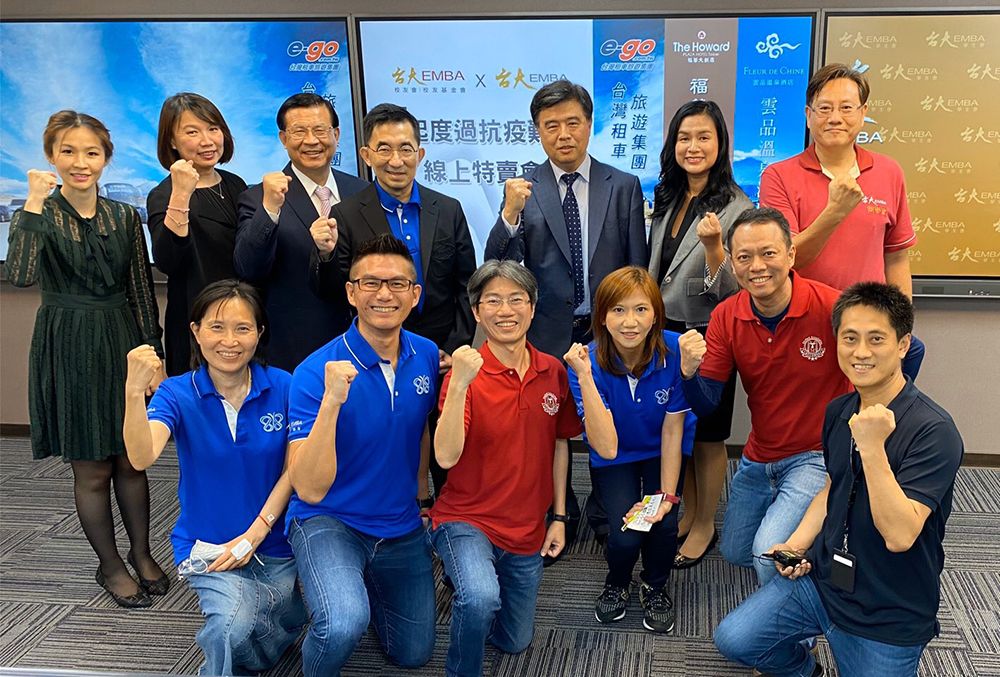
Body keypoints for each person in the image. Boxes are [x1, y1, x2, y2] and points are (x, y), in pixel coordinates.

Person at [714, 283, 964, 677]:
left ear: (903, 345)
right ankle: (805, 670)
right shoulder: (840, 410)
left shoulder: (934, 430)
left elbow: (900, 535)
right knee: (734, 639)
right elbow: (834, 485)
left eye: (876, 339)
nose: (860, 352)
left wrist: (873, 447)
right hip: (824, 582)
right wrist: (797, 544)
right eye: (849, 338)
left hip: (888, 611)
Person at [6, 111, 166, 607]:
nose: (81, 162)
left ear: (106, 158)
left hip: (121, 341)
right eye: (68, 152)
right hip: (69, 344)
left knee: (131, 460)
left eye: (92, 152)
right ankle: (110, 565)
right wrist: (34, 202)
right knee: (92, 468)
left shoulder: (123, 216)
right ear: (51, 156)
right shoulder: (40, 212)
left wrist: (154, 355)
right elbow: (20, 274)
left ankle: (141, 552)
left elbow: (140, 290)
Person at [484, 79, 648, 545]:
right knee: (544, 425)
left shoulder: (623, 186)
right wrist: (509, 214)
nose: (563, 134)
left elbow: (636, 267)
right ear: (537, 131)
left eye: (572, 122)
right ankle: (557, 508)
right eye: (550, 125)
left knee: (609, 420)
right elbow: (497, 263)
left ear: (590, 124)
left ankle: (605, 509)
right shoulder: (524, 188)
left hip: (608, 330)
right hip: (547, 330)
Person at [122, 280, 306, 675]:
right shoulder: (177, 393)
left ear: (259, 332)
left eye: (243, 328)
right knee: (230, 626)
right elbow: (141, 456)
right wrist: (133, 392)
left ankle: (260, 628)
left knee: (286, 623)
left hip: (274, 540)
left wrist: (255, 533)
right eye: (216, 327)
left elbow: (295, 470)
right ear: (196, 331)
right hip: (208, 545)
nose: (229, 341)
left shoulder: (285, 386)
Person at [285, 234, 437, 676]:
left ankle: (355, 583)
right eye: (371, 283)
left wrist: (422, 494)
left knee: (414, 654)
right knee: (343, 623)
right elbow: (308, 488)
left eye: (397, 283)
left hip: (399, 524)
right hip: (330, 520)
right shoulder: (315, 371)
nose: (384, 294)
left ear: (415, 295)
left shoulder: (426, 355)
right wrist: (332, 400)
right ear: (351, 293)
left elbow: (420, 425)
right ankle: (335, 593)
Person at [311, 102, 477, 496]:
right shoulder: (345, 214)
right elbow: (335, 292)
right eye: (383, 149)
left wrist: (455, 346)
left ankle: (448, 510)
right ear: (367, 155)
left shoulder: (448, 209)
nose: (396, 160)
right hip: (374, 352)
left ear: (420, 153)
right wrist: (325, 254)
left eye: (405, 149)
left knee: (446, 444)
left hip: (439, 350)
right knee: (383, 443)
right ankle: (395, 510)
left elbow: (466, 286)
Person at [679, 207, 852, 585]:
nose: (757, 266)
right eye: (744, 257)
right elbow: (707, 403)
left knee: (767, 555)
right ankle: (808, 526)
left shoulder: (833, 307)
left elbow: (908, 350)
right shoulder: (726, 316)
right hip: (760, 456)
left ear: (790, 255)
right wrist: (688, 374)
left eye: (768, 253)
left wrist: (864, 430)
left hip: (815, 456)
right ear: (732, 263)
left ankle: (827, 536)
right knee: (735, 551)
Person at [430, 260, 580, 677]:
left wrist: (559, 517)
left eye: (516, 299)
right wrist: (459, 384)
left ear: (532, 306)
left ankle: (476, 593)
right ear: (476, 312)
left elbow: (560, 443)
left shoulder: (552, 371)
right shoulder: (464, 375)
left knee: (515, 641)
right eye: (492, 301)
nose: (506, 310)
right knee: (480, 598)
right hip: (466, 518)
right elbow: (445, 457)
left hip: (526, 529)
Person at [759, 63, 923, 379]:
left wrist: (902, 323)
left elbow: (897, 256)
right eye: (824, 108)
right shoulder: (778, 176)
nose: (835, 118)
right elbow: (786, 260)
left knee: (873, 407)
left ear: (863, 114)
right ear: (808, 115)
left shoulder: (889, 172)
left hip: (870, 326)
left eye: (846, 108)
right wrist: (836, 211)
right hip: (805, 325)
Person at [647, 100, 753, 570]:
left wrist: (714, 249)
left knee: (708, 434)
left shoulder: (737, 206)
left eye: (703, 137)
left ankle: (707, 522)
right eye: (684, 137)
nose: (693, 146)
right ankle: (689, 512)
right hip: (665, 333)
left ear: (720, 144)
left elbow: (734, 290)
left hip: (709, 335)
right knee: (679, 426)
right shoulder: (667, 195)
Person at [565, 266, 696, 633]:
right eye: (618, 310)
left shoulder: (676, 351)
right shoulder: (584, 362)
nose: (630, 322)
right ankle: (617, 582)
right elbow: (607, 448)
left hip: (661, 450)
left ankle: (654, 585)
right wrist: (585, 376)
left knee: (665, 526)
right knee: (624, 536)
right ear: (602, 317)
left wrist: (667, 496)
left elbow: (673, 431)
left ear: (656, 314)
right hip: (617, 454)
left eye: (641, 309)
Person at [235, 93, 368, 371]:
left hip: (361, 347)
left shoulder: (362, 191)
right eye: (299, 132)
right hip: (295, 353)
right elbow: (249, 269)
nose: (311, 140)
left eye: (320, 130)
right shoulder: (259, 197)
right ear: (284, 138)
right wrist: (270, 209)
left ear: (336, 134)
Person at [147, 93, 247, 375]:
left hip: (242, 318)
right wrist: (181, 194)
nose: (207, 140)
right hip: (196, 323)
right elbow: (168, 261)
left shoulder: (236, 185)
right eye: (192, 132)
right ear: (171, 141)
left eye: (213, 129)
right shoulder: (163, 194)